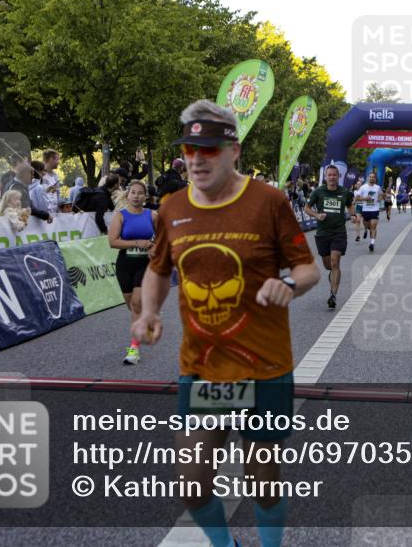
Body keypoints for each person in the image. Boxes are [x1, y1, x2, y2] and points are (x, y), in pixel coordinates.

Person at [131, 100, 319, 547]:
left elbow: (307, 268)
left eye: (209, 150)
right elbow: (158, 269)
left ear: (233, 150)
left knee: (262, 482)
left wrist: (289, 285)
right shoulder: (172, 207)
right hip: (203, 368)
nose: (196, 160)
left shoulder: (269, 201)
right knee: (192, 485)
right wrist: (149, 311)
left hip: (264, 368)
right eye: (189, 150)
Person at [108, 180, 158, 365]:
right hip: (125, 264)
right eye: (133, 193)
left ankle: (134, 349)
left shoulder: (152, 215)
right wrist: (137, 243)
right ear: (128, 195)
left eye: (140, 193)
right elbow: (112, 242)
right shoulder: (120, 216)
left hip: (146, 264)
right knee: (132, 305)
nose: (136, 196)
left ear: (145, 196)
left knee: (136, 305)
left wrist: (154, 247)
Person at [304, 164, 357, 309]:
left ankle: (333, 295)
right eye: (330, 175)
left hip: (339, 233)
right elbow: (306, 208)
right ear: (325, 177)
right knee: (328, 265)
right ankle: (332, 274)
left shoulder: (344, 192)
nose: (332, 177)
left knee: (335, 262)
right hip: (322, 233)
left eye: (334, 175)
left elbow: (350, 205)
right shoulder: (318, 192)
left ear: (338, 176)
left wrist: (353, 215)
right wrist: (316, 215)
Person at [355, 172, 383, 253]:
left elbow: (381, 194)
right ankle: (366, 230)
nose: (371, 178)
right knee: (367, 226)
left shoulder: (377, 187)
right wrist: (365, 199)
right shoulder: (363, 187)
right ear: (368, 178)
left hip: (375, 209)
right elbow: (357, 198)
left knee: (373, 226)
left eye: (373, 177)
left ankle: (372, 243)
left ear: (375, 179)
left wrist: (379, 198)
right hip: (365, 210)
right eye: (370, 177)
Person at [40, 149, 61, 215]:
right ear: (51, 159)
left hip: (54, 215)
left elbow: (56, 194)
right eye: (57, 159)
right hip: (44, 215)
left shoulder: (55, 176)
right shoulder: (38, 175)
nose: (58, 162)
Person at [352, 178, 365, 242]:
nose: (358, 185)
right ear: (356, 185)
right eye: (357, 184)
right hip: (358, 207)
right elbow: (355, 199)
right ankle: (358, 236)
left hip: (365, 207)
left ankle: (365, 230)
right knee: (358, 221)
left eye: (360, 184)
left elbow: (359, 198)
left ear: (362, 185)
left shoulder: (364, 191)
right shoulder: (355, 192)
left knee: (365, 221)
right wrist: (354, 201)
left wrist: (358, 198)